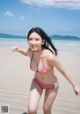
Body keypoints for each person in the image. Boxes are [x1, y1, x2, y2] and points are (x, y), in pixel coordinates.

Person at [11, 27, 80, 114]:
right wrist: (18, 50)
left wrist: (74, 85)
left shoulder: (49, 56)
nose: (33, 42)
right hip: (37, 82)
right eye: (30, 39)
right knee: (31, 110)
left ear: (43, 41)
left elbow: (63, 71)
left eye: (37, 39)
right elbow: (26, 53)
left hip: (52, 86)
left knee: (46, 110)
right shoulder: (30, 51)